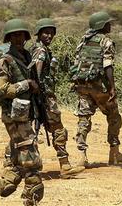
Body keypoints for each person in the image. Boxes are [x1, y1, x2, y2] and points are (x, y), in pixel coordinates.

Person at [0, 18, 45, 206]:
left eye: (21, 35)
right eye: (14, 35)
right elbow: (1, 90)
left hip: (25, 117)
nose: (18, 38)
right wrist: (26, 85)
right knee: (32, 163)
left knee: (15, 167)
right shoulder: (5, 60)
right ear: (8, 38)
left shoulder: (27, 58)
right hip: (15, 119)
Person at [69, 11, 122, 167]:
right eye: (108, 23)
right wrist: (112, 88)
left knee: (84, 119)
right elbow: (108, 66)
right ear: (101, 26)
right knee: (114, 117)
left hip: (82, 85)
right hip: (98, 87)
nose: (110, 25)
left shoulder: (83, 41)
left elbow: (77, 61)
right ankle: (114, 154)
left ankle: (82, 156)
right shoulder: (106, 42)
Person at [26, 18, 82, 176]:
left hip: (40, 95)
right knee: (57, 129)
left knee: (31, 131)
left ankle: (61, 165)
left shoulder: (38, 48)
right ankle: (64, 165)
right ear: (39, 34)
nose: (49, 36)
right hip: (43, 96)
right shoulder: (41, 50)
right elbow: (36, 69)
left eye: (51, 33)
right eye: (46, 33)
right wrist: (38, 91)